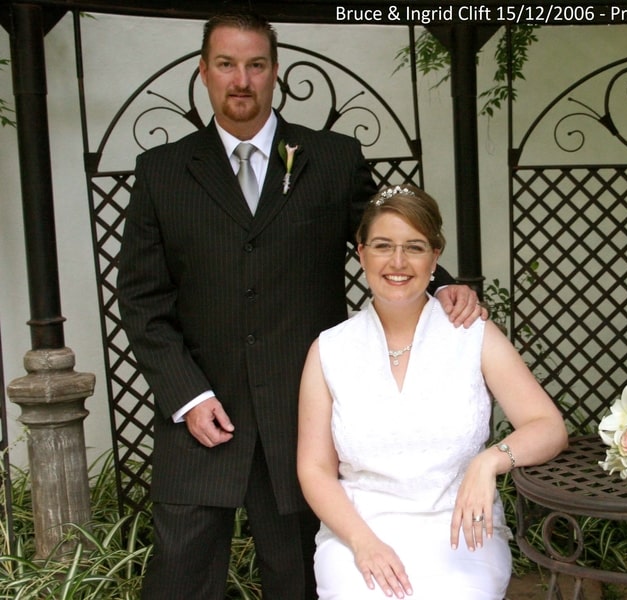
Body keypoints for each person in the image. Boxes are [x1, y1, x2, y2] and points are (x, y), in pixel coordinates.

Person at [116, 11, 485, 600]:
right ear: (204, 72)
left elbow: (385, 239)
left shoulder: (332, 158)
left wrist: (441, 285)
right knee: (178, 579)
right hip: (200, 415)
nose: (242, 80)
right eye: (227, 64)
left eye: (256, 65)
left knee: (298, 579)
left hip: (299, 417)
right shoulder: (161, 172)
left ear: (275, 71)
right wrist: (187, 395)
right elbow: (140, 299)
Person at [297, 184, 568, 600]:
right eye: (383, 246)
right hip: (359, 532)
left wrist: (490, 461)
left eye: (415, 247)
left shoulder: (473, 335)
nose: (398, 262)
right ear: (362, 253)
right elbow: (315, 468)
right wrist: (363, 543)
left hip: (459, 532)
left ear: (435, 256)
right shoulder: (329, 350)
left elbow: (548, 426)